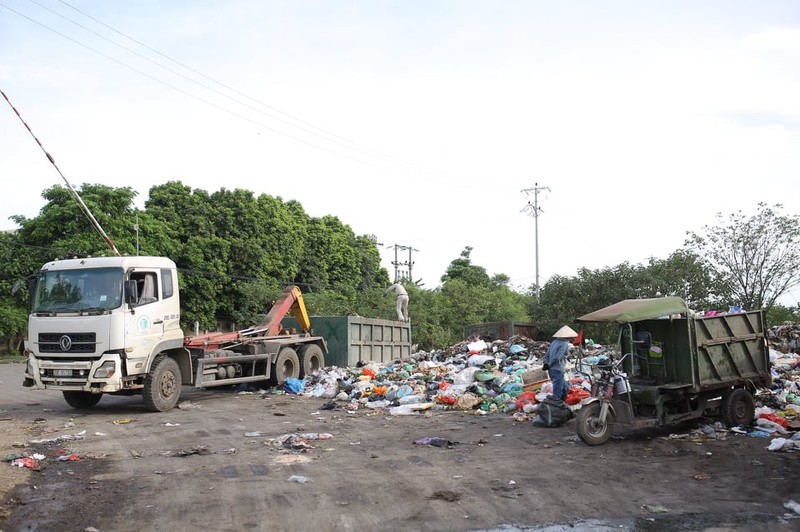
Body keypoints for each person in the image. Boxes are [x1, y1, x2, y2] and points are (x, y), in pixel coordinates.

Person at [541, 325, 578, 402]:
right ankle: (555, 409)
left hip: (552, 370)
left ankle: (562, 404)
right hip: (558, 369)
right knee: (557, 392)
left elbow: (547, 354)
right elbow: (558, 357)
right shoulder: (564, 344)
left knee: (565, 388)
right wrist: (549, 364)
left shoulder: (554, 342)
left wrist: (546, 363)